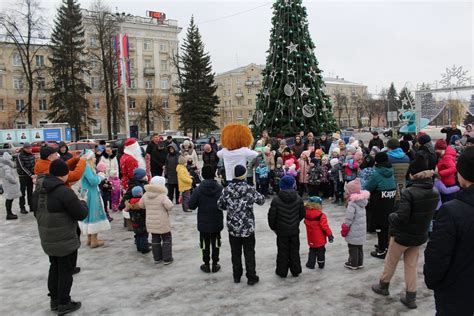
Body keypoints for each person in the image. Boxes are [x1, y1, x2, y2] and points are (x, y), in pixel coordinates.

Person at [372, 154, 439, 309]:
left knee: (391, 262)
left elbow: (401, 217)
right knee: (411, 266)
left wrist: (391, 216)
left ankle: (383, 286)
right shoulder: (434, 191)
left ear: (412, 174)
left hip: (402, 235)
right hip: (419, 236)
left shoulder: (409, 193)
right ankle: (411, 296)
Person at [32, 159, 88, 315]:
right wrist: (83, 202)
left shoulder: (39, 190)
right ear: (64, 174)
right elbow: (81, 214)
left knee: (54, 267)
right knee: (65, 271)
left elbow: (34, 210)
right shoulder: (64, 192)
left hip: (48, 238)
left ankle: (55, 300)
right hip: (65, 239)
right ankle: (64, 302)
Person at [424, 147, 474, 315]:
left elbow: (437, 257)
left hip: (458, 294)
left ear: (463, 175)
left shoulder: (452, 212)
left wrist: (435, 281)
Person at [217, 165, 265, 285]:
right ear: (243, 175)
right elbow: (261, 200)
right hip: (247, 227)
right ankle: (251, 276)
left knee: (235, 252)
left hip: (233, 227)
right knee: (249, 252)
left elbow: (220, 205)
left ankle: (237, 276)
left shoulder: (227, 189)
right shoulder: (249, 189)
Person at [268, 175, 305, 278]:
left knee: (282, 251)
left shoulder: (276, 200)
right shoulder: (298, 198)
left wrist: (274, 227)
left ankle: (282, 271)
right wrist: (295, 222)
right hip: (294, 230)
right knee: (294, 250)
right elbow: (302, 213)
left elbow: (271, 216)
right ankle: (296, 270)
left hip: (281, 231)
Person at [189, 165, 224, 273]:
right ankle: (214, 263)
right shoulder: (220, 188)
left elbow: (191, 205)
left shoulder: (198, 189)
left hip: (203, 222)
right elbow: (224, 204)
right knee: (216, 242)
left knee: (204, 243)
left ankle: (206, 263)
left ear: (203, 175)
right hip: (216, 221)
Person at [363, 152, 397, 259]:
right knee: (386, 225)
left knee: (379, 226)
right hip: (390, 202)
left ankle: (382, 250)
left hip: (379, 204)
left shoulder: (376, 173)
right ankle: (385, 245)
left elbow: (367, 187)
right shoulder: (391, 171)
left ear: (377, 161)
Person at [79, 150, 111, 248]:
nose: (95, 158)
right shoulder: (87, 167)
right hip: (91, 193)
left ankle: (89, 239)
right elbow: (93, 181)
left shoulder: (82, 166)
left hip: (85, 192)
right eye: (93, 157)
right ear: (88, 158)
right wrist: (100, 177)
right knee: (94, 213)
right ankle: (94, 240)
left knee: (87, 214)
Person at [139, 176, 174, 264]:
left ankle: (157, 258)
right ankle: (167, 258)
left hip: (151, 222)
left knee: (155, 239)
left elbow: (141, 205)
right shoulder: (162, 195)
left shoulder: (145, 195)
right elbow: (169, 206)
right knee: (166, 239)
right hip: (162, 222)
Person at [341, 178, 370, 270]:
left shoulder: (352, 204)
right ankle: (359, 263)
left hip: (353, 230)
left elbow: (349, 218)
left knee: (352, 247)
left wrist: (345, 226)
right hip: (360, 230)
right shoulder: (362, 202)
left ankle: (353, 263)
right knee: (359, 247)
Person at [304, 196, 334, 269]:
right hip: (320, 239)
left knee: (312, 250)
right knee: (321, 251)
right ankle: (321, 264)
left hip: (311, 237)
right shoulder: (321, 215)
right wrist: (330, 235)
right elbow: (325, 227)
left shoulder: (306, 214)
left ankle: (310, 264)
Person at [126, 186, 151, 254]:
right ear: (140, 193)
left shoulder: (130, 202)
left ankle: (139, 247)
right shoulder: (141, 202)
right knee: (143, 235)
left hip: (134, 221)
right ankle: (144, 249)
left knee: (137, 235)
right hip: (142, 222)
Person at [0, 152, 22, 220]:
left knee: (9, 199)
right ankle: (9, 214)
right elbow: (8, 176)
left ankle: (9, 213)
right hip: (10, 185)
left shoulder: (2, 165)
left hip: (6, 184)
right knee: (9, 199)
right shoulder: (6, 166)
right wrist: (14, 181)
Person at [16, 142, 36, 214]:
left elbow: (34, 165)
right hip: (23, 176)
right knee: (22, 192)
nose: (29, 149)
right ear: (24, 148)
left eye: (30, 148)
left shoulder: (32, 155)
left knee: (30, 192)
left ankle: (31, 206)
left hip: (31, 176)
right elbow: (22, 167)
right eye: (28, 148)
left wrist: (34, 173)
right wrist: (30, 174)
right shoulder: (19, 155)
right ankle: (22, 207)